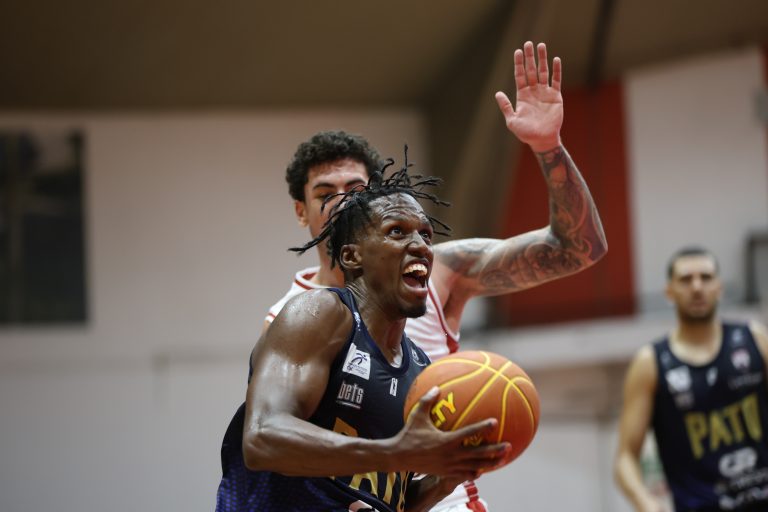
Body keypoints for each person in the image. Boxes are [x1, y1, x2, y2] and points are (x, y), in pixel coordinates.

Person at [265, 40, 608, 511]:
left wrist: (549, 148)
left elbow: (577, 248)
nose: (342, 202)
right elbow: (277, 442)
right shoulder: (290, 315)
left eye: (356, 189)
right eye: (326, 193)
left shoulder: (438, 268)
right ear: (301, 211)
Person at [215, 167, 511, 512]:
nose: (420, 246)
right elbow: (263, 437)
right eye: (397, 231)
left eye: (426, 235)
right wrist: (394, 453)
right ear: (352, 256)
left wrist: (444, 479)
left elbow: (389, 500)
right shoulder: (320, 314)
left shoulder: (419, 369)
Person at [614, 247, 768, 512]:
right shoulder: (650, 363)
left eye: (706, 277)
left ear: (719, 287)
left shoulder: (754, 338)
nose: (697, 287)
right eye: (686, 279)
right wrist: (644, 501)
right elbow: (625, 457)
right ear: (669, 292)